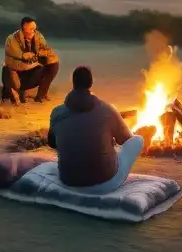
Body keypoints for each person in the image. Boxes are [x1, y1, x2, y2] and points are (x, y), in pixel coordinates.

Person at [46, 65, 144, 194]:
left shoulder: (57, 112)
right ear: (91, 83)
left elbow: (52, 143)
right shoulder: (107, 109)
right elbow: (125, 140)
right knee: (138, 140)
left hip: (68, 181)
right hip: (106, 183)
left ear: (73, 83)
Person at [2, 16, 60, 105]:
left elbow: (46, 49)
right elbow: (13, 58)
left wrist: (43, 53)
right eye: (31, 28)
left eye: (34, 28)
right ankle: (12, 93)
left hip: (32, 68)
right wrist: (24, 56)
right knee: (8, 72)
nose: (33, 30)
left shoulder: (38, 36)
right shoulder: (11, 39)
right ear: (23, 28)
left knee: (53, 63)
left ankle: (41, 95)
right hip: (17, 70)